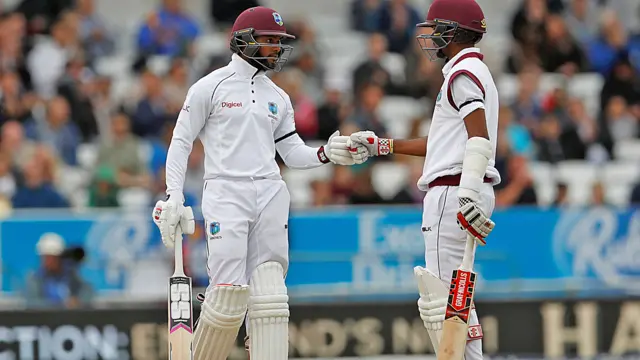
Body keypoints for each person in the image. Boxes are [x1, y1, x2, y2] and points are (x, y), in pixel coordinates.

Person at [151, 6, 354, 360]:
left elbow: (291, 152)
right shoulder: (209, 87)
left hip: (271, 192)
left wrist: (326, 154)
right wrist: (173, 195)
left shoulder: (278, 96)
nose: (277, 48)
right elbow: (181, 142)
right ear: (244, 40)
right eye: (270, 40)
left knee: (271, 295)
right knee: (228, 295)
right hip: (226, 192)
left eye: (279, 41)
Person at [348, 0, 498, 358]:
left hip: (454, 191)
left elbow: (478, 138)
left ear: (453, 31)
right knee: (458, 296)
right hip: (466, 185)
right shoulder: (475, 72)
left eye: (436, 29)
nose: (431, 37)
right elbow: (445, 143)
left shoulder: (461, 75)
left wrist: (466, 195)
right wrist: (382, 145)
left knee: (442, 301)